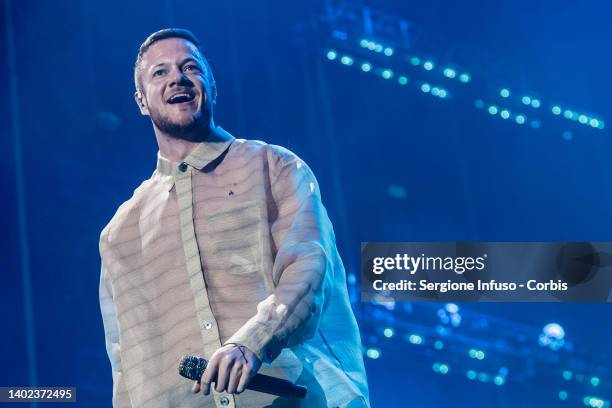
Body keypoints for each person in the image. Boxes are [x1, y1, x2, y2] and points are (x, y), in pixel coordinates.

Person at [99, 28, 370, 408]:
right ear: (141, 101)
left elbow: (308, 271)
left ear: (211, 84)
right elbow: (126, 366)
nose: (177, 77)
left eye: (189, 67)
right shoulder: (119, 233)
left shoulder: (273, 165)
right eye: (159, 72)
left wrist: (252, 342)